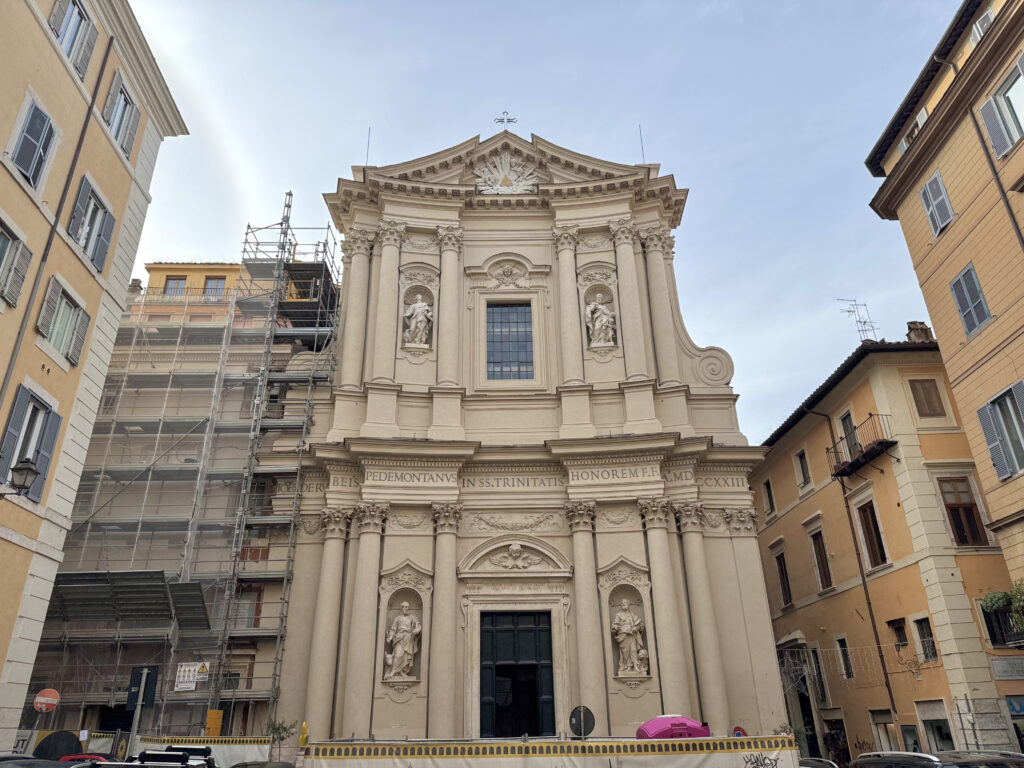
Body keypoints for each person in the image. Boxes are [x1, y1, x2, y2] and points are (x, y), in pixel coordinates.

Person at [384, 601, 421, 679]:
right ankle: (393, 671)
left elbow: (418, 625)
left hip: (409, 639)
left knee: (406, 657)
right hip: (399, 638)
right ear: (402, 608)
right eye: (406, 607)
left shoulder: (412, 617)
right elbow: (393, 629)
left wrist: (417, 630)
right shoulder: (397, 618)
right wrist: (390, 637)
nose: (407, 609)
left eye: (408, 607)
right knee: (397, 654)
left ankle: (401, 672)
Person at [611, 599, 645, 675]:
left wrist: (636, 628)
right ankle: (628, 666)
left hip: (632, 635)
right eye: (622, 603)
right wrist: (615, 627)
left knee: (633, 650)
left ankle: (635, 666)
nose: (623, 604)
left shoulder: (632, 614)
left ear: (628, 604)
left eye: (625, 602)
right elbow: (614, 625)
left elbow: (641, 624)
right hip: (623, 635)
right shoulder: (619, 615)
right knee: (625, 651)